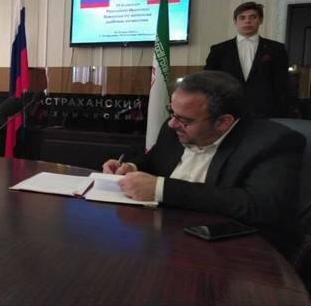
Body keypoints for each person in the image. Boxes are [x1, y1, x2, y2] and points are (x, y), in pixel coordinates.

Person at [102, 70, 304, 232]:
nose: (172, 123)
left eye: (184, 120)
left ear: (223, 122)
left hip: (226, 247)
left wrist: (162, 189)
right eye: (172, 112)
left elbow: (258, 206)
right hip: (161, 232)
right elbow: (155, 160)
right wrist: (131, 166)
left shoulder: (273, 142)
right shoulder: (174, 127)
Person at [204, 1, 289, 118]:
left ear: (260, 20)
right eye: (242, 17)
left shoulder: (276, 48)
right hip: (228, 110)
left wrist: (281, 112)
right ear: (235, 21)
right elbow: (209, 81)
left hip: (265, 112)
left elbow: (282, 83)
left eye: (253, 17)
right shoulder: (219, 49)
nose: (247, 21)